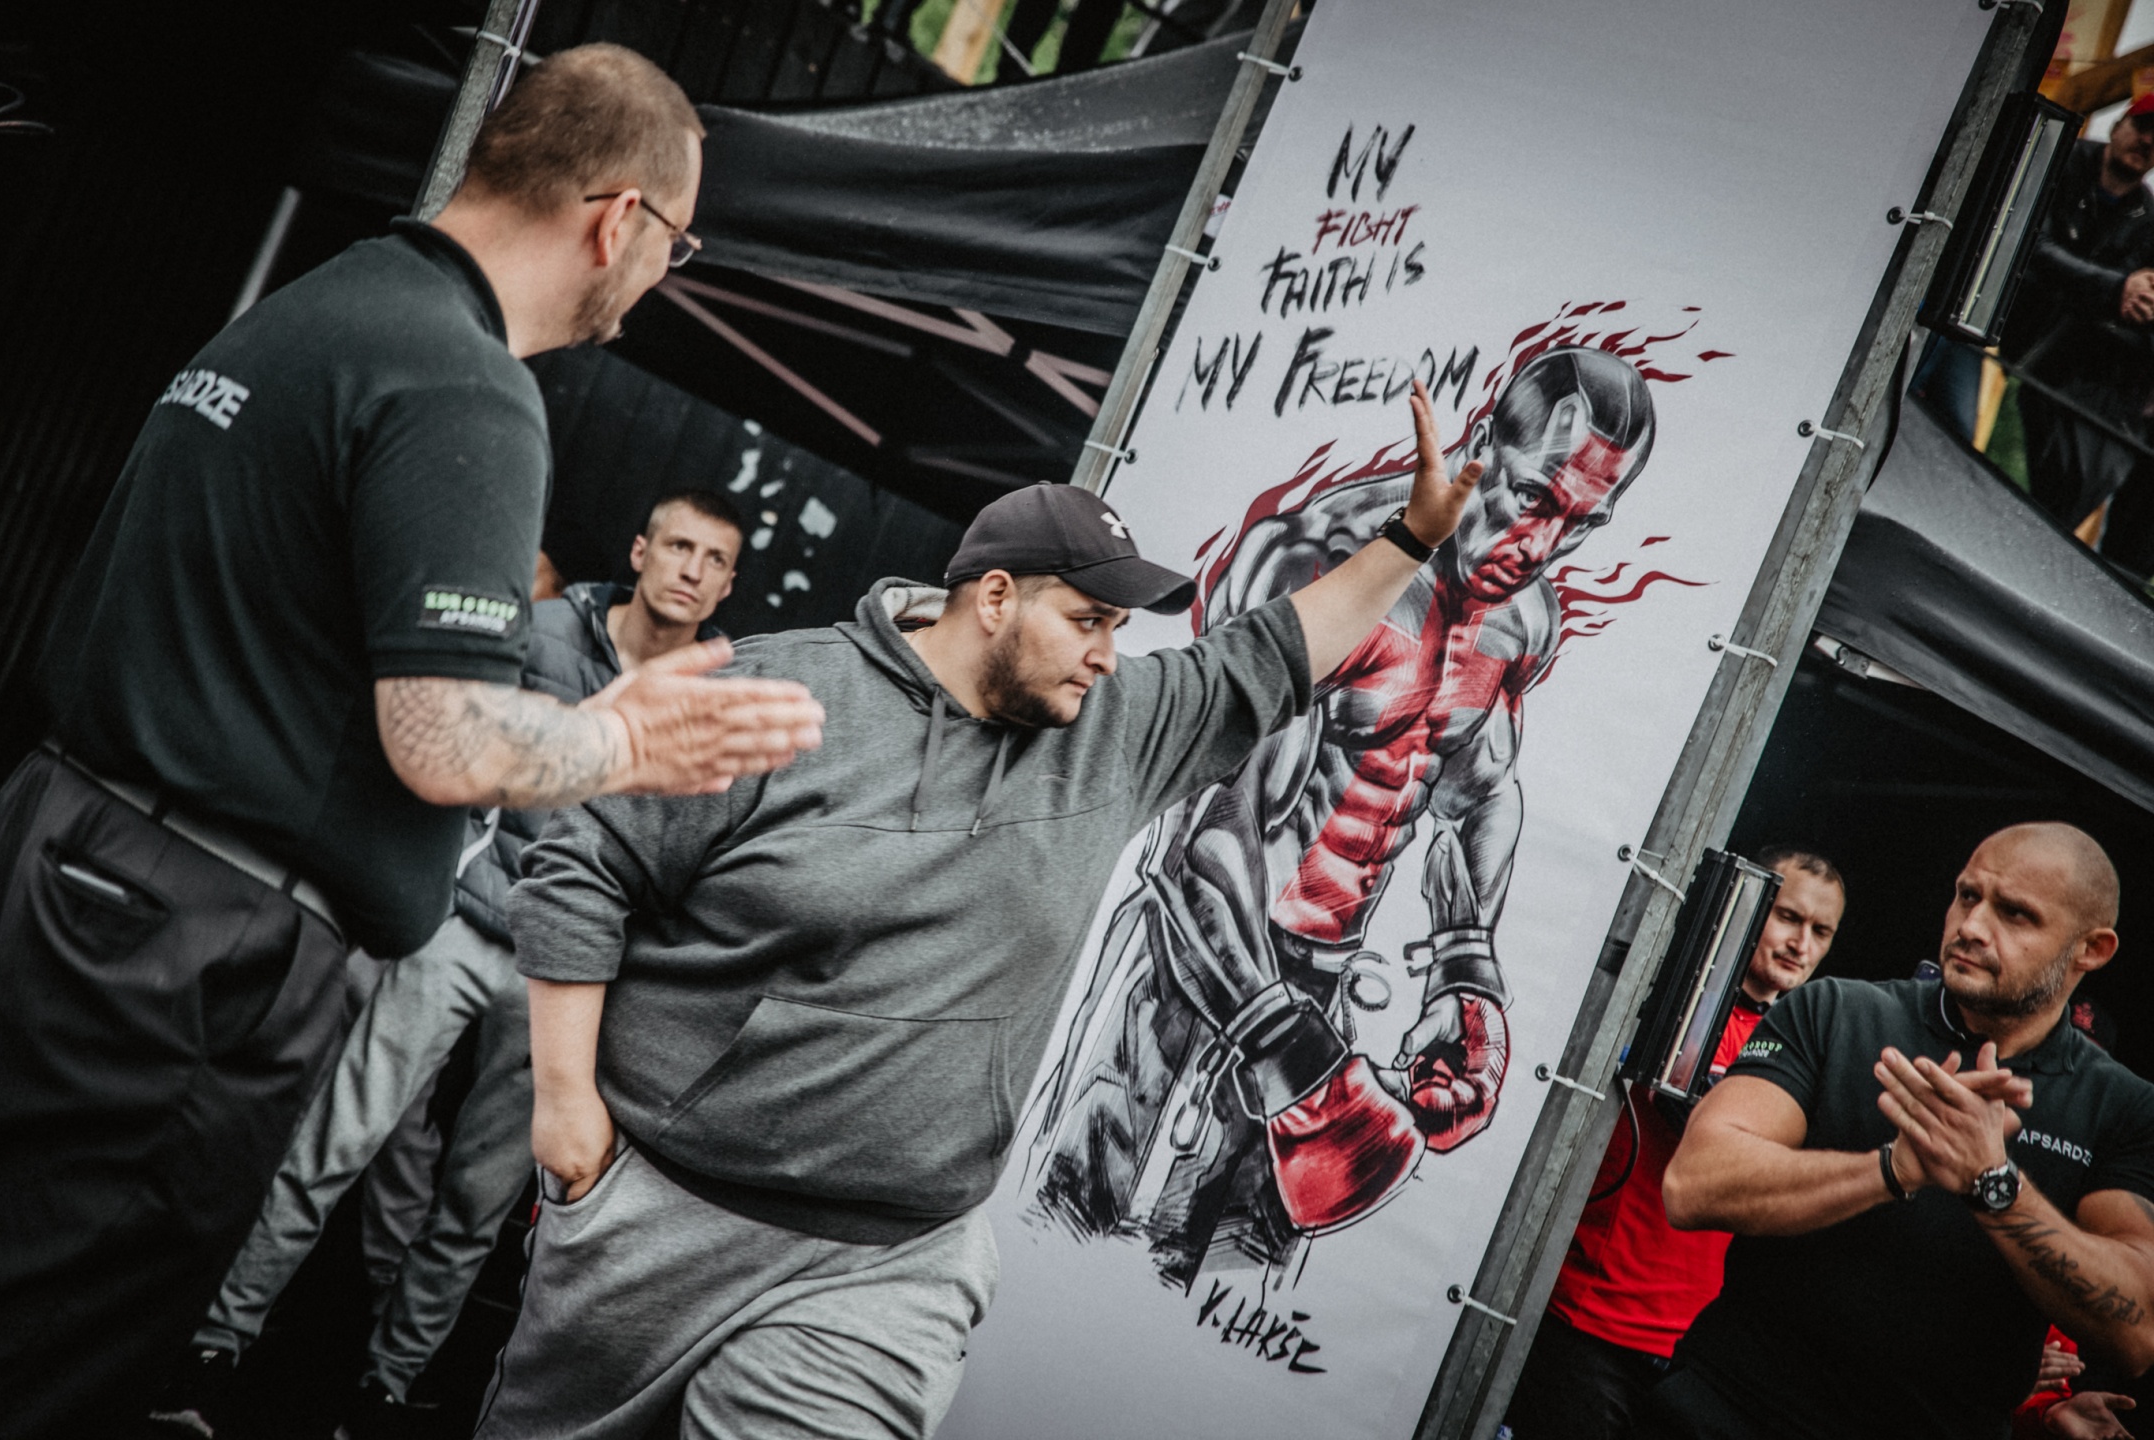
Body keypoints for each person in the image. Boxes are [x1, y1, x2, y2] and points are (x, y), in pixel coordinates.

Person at [0, 47, 823, 1438]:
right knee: (50, 1359)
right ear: (618, 219)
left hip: (65, 858)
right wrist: (622, 746)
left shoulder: (321, 305)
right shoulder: (467, 386)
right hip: (185, 951)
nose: (662, 275)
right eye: (678, 245)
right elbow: (440, 737)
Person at [477, 379, 1486, 1439]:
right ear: (995, 598)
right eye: (1087, 620)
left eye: (1118, 628)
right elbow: (586, 862)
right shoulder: (775, 695)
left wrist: (1413, 536)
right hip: (665, 1213)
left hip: (891, 1265)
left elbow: (1272, 649)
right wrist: (565, 1109)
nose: (1108, 653)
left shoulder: (1116, 728)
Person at [1026, 346, 1659, 1282]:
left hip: (1324, 989)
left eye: (1580, 523)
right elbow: (1206, 834)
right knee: (1067, 1236)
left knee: (1217, 1286)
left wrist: (1465, 970)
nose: (1543, 545)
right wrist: (1281, 1042)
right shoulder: (1321, 563)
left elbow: (1479, 789)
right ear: (1483, 445)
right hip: (1190, 969)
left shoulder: (1524, 619)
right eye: (1534, 498)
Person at [150, 490, 745, 1439]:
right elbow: (449, 744)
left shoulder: (710, 696)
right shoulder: (547, 632)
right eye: (679, 546)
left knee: (477, 1199)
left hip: (565, 968)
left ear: (727, 587)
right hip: (463, 923)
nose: (692, 570)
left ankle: (386, 1389)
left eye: (714, 560)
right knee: (335, 1141)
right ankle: (214, 1347)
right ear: (640, 551)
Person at [1644, 823, 2154, 1440]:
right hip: (1725, 1412)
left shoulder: (2122, 1106)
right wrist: (1893, 1167)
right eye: (1967, 896)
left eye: (2015, 913)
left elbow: (2136, 1333)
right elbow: (1693, 1185)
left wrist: (1993, 1183)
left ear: (2091, 949)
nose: (1971, 926)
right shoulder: (1836, 1011)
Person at [1502, 848, 1845, 1440]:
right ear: (1748, 906)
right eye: (1788, 917)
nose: (1801, 944)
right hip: (1591, 1321)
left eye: (1821, 931)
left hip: (1699, 1349)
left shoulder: (1804, 1049)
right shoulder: (1679, 1003)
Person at [2002, 95, 2154, 540]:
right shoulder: (2059, 162)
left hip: (2065, 372)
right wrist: (2114, 288)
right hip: (1995, 334)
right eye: (2143, 127)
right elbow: (2026, 243)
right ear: (2118, 125)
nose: (2148, 142)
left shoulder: (2148, 221)